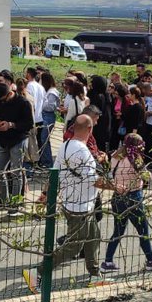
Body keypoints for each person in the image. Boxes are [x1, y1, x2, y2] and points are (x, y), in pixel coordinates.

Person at [23, 115, 105, 291]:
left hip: (75, 202)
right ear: (90, 130)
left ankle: (95, 274)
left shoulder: (65, 145)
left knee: (93, 237)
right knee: (72, 248)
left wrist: (45, 193)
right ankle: (37, 272)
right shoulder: (83, 151)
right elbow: (94, 180)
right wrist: (117, 187)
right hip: (80, 207)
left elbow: (56, 172)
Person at [101, 133, 152, 271]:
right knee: (143, 230)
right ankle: (151, 259)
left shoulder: (115, 156)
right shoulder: (135, 159)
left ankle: (108, 261)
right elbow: (146, 176)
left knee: (118, 231)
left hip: (117, 196)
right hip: (134, 196)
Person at [0, 81, 32, 210]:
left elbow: (29, 124)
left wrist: (11, 125)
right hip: (3, 140)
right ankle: (4, 199)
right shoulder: (0, 101)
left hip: (18, 140)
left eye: (4, 99)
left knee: (15, 172)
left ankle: (15, 203)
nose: (2, 102)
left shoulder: (23, 103)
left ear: (9, 93)